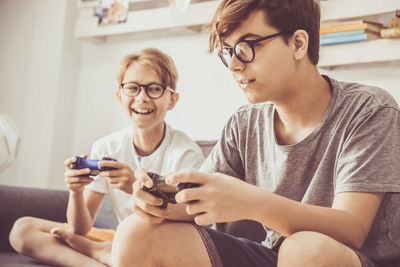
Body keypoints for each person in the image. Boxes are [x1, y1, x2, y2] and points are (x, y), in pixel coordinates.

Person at [110, 1, 400, 267]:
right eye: (228, 52)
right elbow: (193, 206)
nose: (234, 65)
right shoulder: (244, 124)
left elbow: (352, 229)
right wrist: (156, 203)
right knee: (136, 231)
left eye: (246, 47)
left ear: (298, 44)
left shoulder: (369, 109)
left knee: (305, 249)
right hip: (274, 256)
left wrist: (251, 202)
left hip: (347, 259)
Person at [9, 48, 204, 267]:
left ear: (172, 100)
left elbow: (192, 215)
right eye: (132, 88)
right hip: (122, 239)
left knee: (134, 241)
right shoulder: (107, 146)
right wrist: (75, 192)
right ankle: (101, 260)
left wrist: (134, 186)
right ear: (120, 96)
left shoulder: (184, 152)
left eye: (154, 89)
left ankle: (104, 253)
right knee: (23, 229)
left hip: (167, 244)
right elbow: (80, 229)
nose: (142, 98)